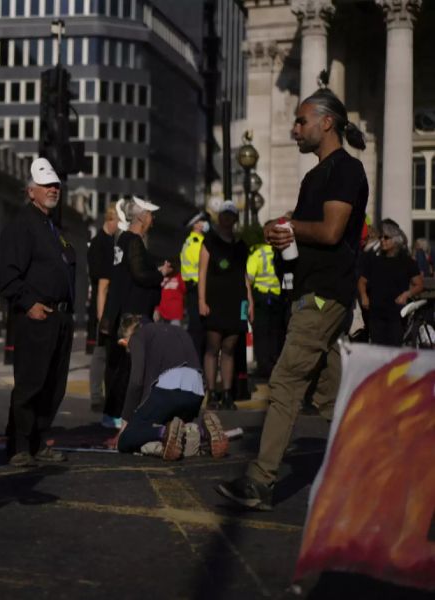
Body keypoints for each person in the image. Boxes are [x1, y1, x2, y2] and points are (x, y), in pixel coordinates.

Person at [217, 88, 369, 511]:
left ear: (326, 122)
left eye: (301, 121)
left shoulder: (346, 170)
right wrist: (280, 232)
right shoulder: (312, 177)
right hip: (311, 291)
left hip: (324, 295)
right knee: (328, 396)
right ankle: (373, 467)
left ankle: (261, 481)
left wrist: (290, 226)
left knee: (284, 384)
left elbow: (332, 231)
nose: (294, 128)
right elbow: (306, 233)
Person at [0, 157, 76, 468]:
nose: (53, 189)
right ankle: (19, 445)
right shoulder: (21, 225)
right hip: (36, 315)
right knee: (30, 383)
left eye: (55, 185)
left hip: (59, 317)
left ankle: (39, 441)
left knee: (53, 386)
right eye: (46, 185)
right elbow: (7, 274)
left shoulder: (53, 227)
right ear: (31, 191)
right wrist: (28, 303)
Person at [113, 315, 228, 460]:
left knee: (126, 440)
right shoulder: (177, 330)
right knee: (182, 440)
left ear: (124, 341)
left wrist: (126, 421)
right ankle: (200, 433)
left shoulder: (137, 337)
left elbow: (136, 382)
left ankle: (163, 432)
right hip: (196, 392)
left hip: (168, 390)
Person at [100, 198, 170, 430]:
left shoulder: (124, 240)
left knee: (121, 366)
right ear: (142, 217)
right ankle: (117, 413)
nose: (153, 219)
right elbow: (139, 274)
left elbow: (132, 272)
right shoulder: (134, 241)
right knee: (128, 367)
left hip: (125, 311)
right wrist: (159, 275)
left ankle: (114, 413)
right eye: (151, 215)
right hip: (133, 314)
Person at [199, 200, 253, 410]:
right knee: (213, 347)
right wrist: (202, 301)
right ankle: (212, 393)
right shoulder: (209, 241)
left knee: (230, 347)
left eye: (231, 215)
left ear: (235, 219)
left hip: (235, 301)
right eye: (224, 214)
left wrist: (250, 302)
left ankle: (228, 394)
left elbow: (244, 275)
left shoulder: (241, 247)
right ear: (219, 217)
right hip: (214, 301)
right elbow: (202, 272)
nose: (228, 218)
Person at [358, 221, 424, 346]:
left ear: (396, 240)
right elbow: (362, 281)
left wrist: (406, 294)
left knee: (394, 351)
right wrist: (364, 296)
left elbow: (419, 284)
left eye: (386, 237)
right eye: (381, 237)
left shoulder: (407, 261)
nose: (382, 240)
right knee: (378, 351)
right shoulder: (374, 259)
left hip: (396, 315)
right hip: (376, 314)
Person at [86, 205, 120, 412]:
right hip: (102, 306)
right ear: (111, 220)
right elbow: (100, 283)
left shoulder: (112, 243)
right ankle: (97, 396)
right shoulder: (99, 244)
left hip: (109, 304)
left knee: (109, 354)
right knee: (100, 354)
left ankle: (105, 395)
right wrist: (101, 316)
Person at [247, 225, 285, 380]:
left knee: (261, 334)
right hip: (278, 298)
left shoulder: (257, 254)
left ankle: (264, 368)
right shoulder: (281, 253)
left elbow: (249, 278)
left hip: (261, 298)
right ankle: (275, 365)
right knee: (276, 333)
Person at [180, 211, 210, 355]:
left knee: (198, 328)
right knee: (198, 329)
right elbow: (204, 265)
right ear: (196, 225)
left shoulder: (192, 241)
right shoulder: (195, 243)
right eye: (202, 221)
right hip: (197, 288)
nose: (205, 223)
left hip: (195, 288)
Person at [156, 259, 185, 326]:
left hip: (175, 312)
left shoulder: (179, 276)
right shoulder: (160, 276)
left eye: (169, 266)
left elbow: (184, 289)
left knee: (174, 333)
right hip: (162, 312)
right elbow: (156, 294)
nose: (167, 268)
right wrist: (156, 309)